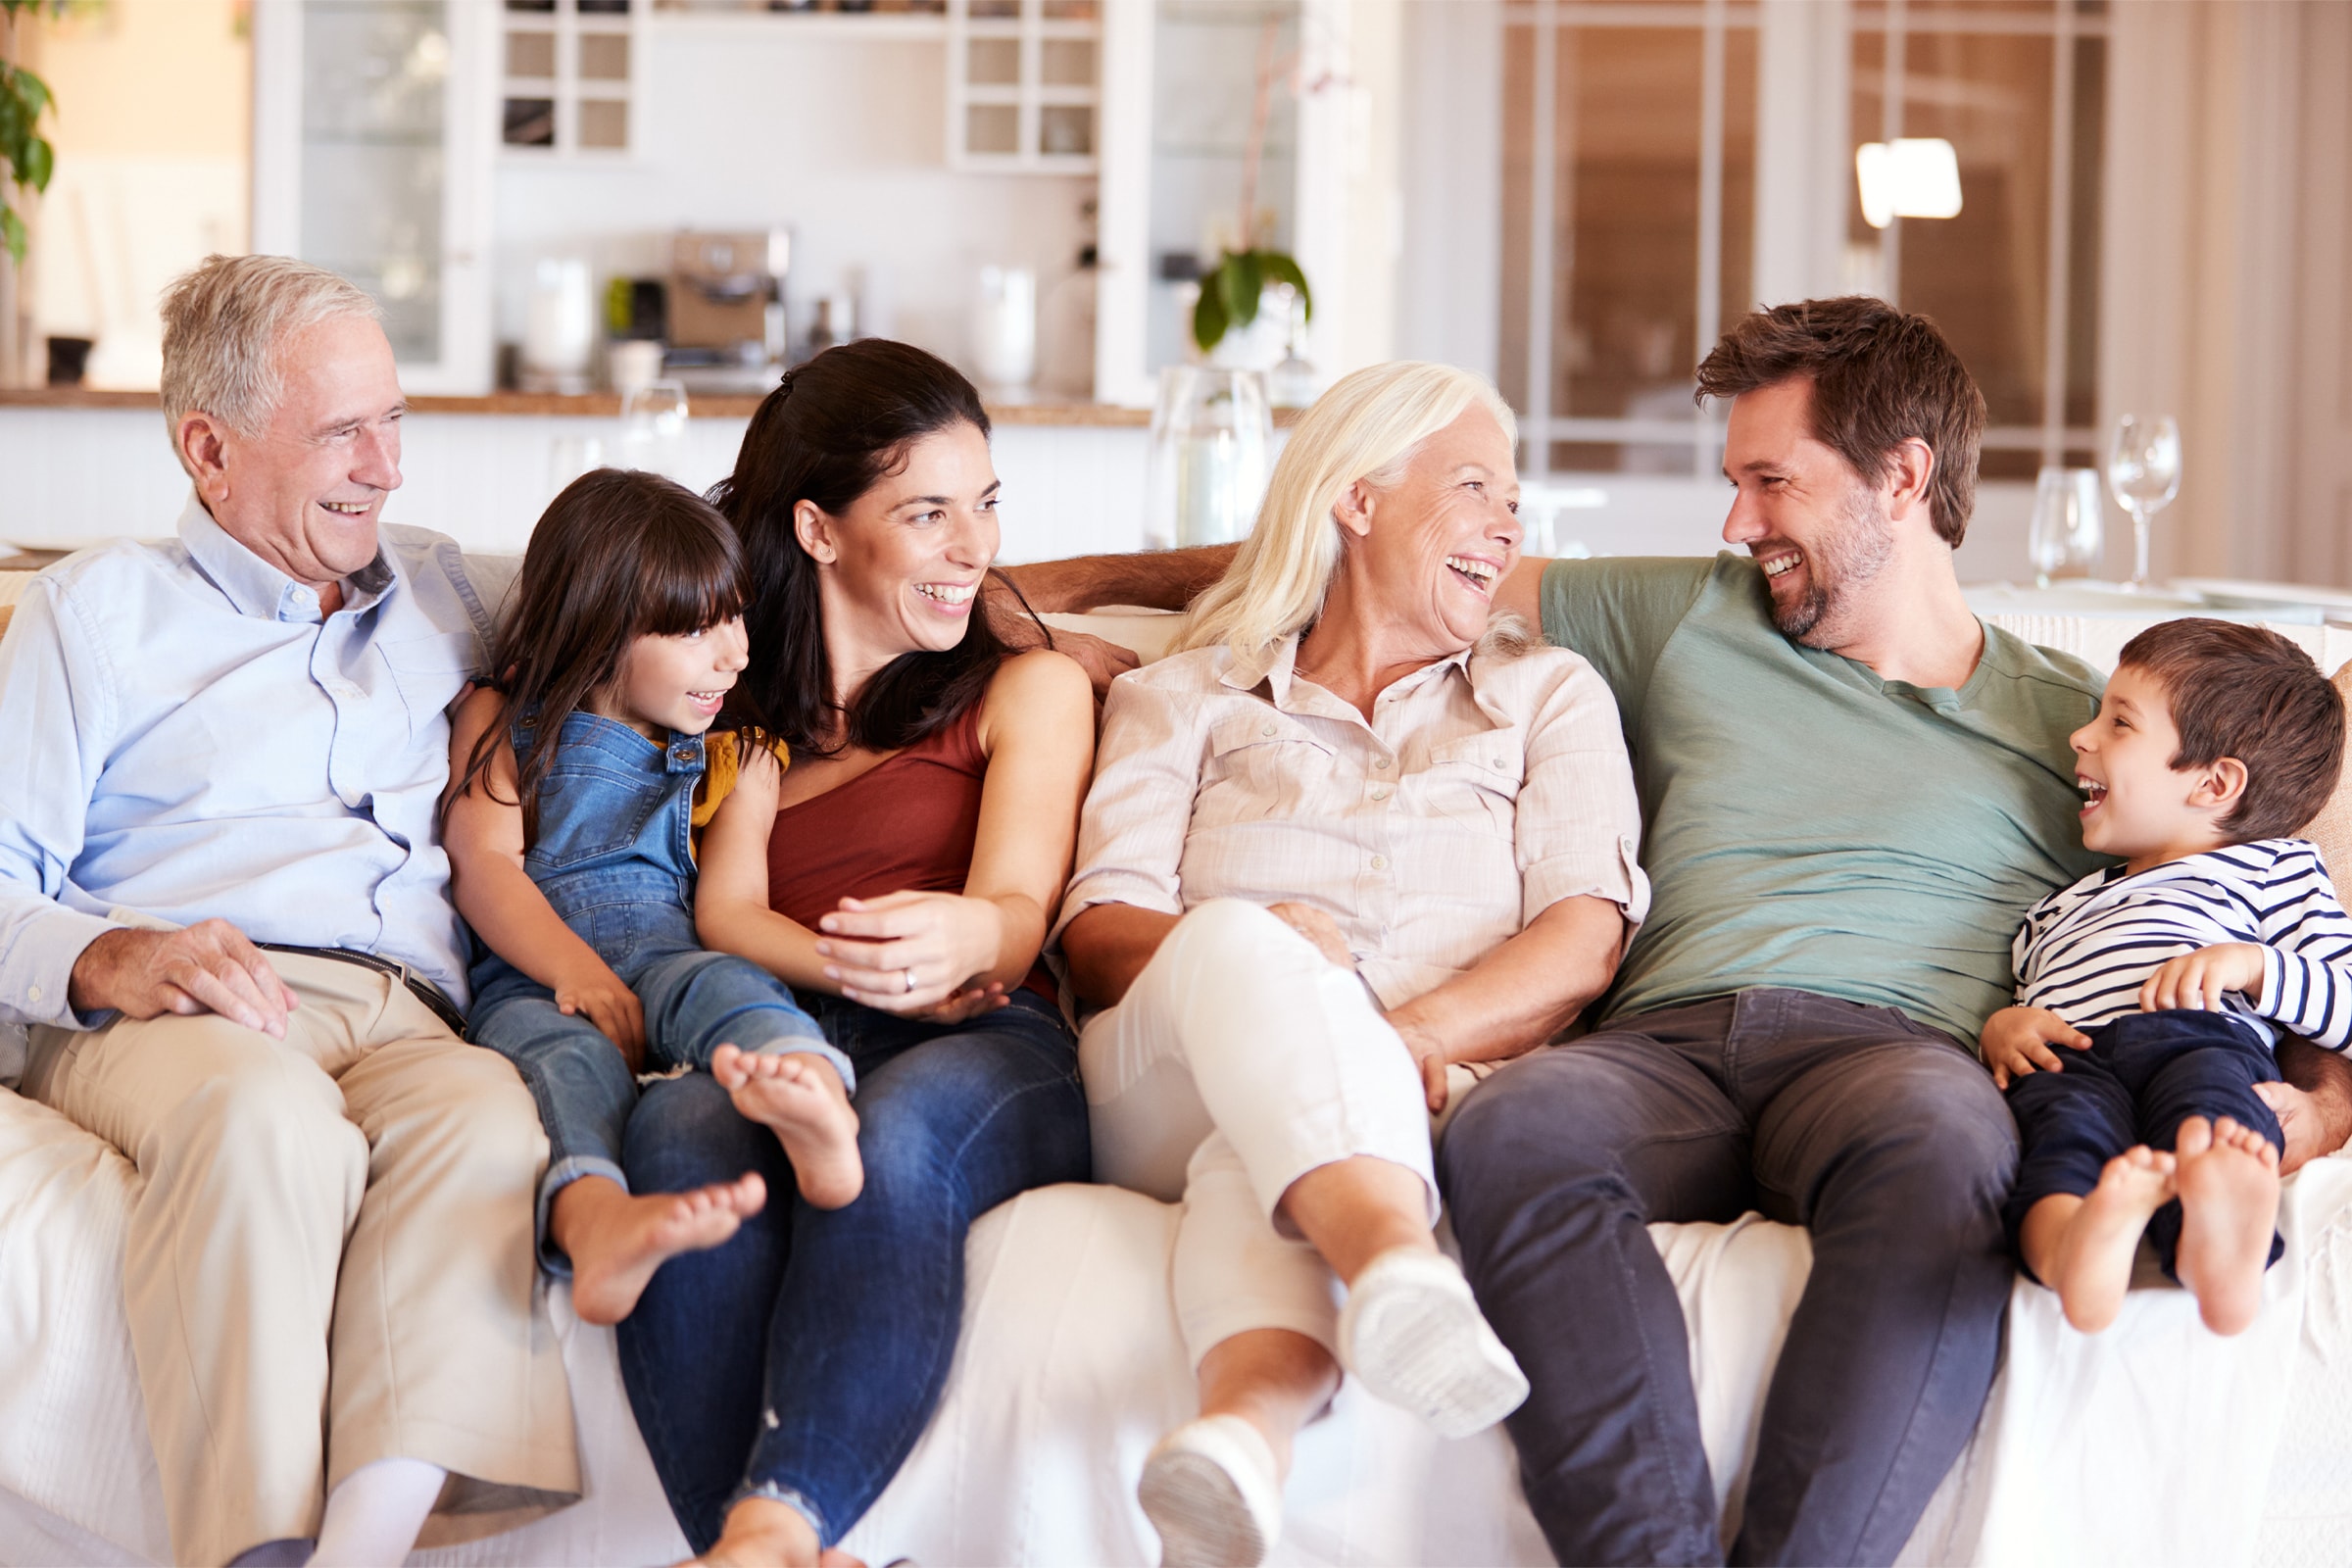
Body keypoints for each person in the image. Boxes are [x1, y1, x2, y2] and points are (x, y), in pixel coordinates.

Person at [996, 296, 2350, 1562]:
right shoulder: (1687, 615)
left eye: (1773, 481)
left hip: (1895, 1055)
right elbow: (1364, 555)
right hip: (1665, 1043)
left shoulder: (2083, 727)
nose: (1735, 518)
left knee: (1950, 1151)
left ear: (1901, 480)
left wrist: (2306, 1110)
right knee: (1515, 1131)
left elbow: (2246, 909)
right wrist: (1043, 590)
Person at [0, 255, 576, 1567]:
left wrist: (1029, 597)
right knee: (270, 1126)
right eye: (341, 434)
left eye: (393, 423)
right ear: (210, 449)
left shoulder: (445, 586)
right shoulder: (99, 612)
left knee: (491, 1124)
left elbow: (681, 584)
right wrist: (110, 953)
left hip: (413, 1017)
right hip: (191, 1001)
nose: (386, 468)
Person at [1054, 361, 1646, 1567]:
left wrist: (1389, 1037)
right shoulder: (1185, 693)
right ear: (1356, 498)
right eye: (1474, 484)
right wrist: (1275, 961)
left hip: (1405, 1082)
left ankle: (1239, 1442)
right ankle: (1393, 1264)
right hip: (1164, 1066)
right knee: (1239, 945)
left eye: (1514, 498)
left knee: (1267, 1135)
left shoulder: (1548, 696)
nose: (1509, 523)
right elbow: (1101, 931)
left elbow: (1583, 940)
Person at [612, 339, 1097, 1568]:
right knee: (674, 1138)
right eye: (928, 512)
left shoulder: (1028, 687)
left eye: (985, 507)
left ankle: (768, 1532)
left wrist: (967, 931)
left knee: (899, 1134)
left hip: (986, 1040)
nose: (973, 547)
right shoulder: (734, 714)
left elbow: (1022, 906)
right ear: (820, 530)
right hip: (788, 1036)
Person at [446, 468, 862, 1330]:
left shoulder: (733, 756)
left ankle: (814, 1099)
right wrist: (577, 973)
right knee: (567, 1072)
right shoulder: (502, 718)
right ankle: (597, 1222)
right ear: (597, 631)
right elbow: (484, 864)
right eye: (695, 629)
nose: (735, 652)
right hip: (531, 983)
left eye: (736, 615)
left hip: (671, 957)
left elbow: (732, 912)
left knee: (731, 989)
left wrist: (849, 966)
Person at [1988, 618, 2351, 1337]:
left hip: (2204, 1041)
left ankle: (2220, 1250)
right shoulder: (2058, 905)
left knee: (2219, 1127)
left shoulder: (2278, 870)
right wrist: (2006, 1027)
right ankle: (2075, 1247)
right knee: (2057, 1149)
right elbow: (2026, 995)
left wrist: (2257, 967)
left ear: (2215, 783)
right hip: (2076, 1060)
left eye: (2119, 722)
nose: (2081, 737)